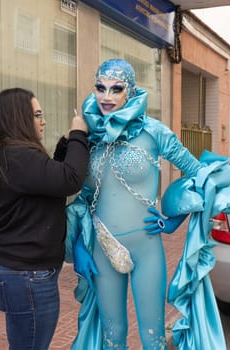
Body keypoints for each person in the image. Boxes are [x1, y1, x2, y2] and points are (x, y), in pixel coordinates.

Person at [65, 58, 204, 350]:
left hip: (147, 248)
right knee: (112, 335)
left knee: (152, 337)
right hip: (102, 248)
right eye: (100, 88)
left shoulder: (154, 131)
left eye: (116, 89)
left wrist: (174, 220)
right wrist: (79, 244)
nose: (106, 97)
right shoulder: (91, 135)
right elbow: (85, 196)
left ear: (131, 91)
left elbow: (199, 175)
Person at [0, 87, 89, 350]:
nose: (43, 121)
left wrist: (65, 144)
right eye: (37, 115)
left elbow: (49, 181)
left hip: (12, 270)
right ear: (19, 118)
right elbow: (70, 179)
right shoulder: (19, 157)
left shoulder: (9, 154)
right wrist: (78, 133)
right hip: (28, 277)